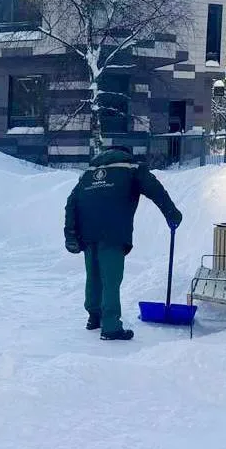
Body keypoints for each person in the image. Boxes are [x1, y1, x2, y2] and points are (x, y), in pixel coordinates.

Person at [64, 145, 182, 341]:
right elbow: (155, 190)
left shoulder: (89, 173)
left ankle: (94, 316)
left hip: (88, 232)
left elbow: (71, 202)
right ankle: (110, 327)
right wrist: (172, 213)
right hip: (113, 232)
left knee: (93, 275)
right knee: (111, 279)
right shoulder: (131, 167)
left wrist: (70, 233)